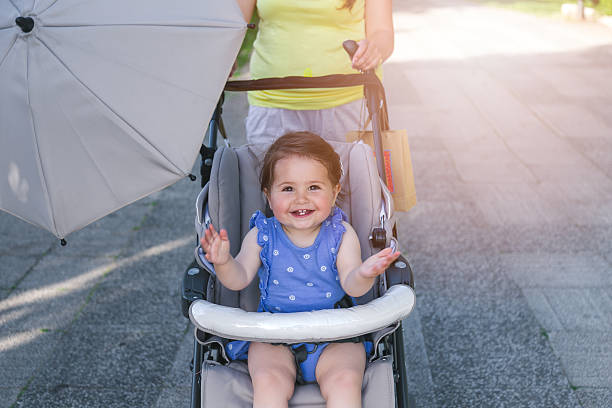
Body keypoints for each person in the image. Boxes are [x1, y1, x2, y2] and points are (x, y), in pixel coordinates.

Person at [200, 132, 399, 407]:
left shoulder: (341, 233)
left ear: (335, 192)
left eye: (314, 187)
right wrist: (223, 262)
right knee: (269, 382)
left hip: (335, 335)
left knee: (345, 380)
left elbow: (352, 283)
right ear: (269, 197)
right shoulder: (262, 234)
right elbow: (239, 278)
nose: (301, 199)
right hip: (273, 336)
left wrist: (365, 273)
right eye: (288, 189)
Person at [235, 0, 394, 144]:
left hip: (348, 101)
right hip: (272, 101)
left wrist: (374, 50)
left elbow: (382, 31)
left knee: (353, 175)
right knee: (270, 174)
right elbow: (233, 22)